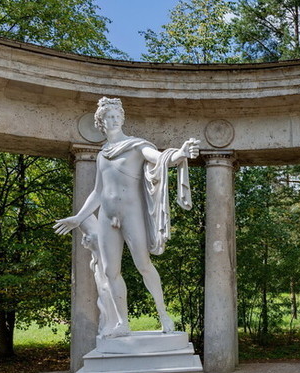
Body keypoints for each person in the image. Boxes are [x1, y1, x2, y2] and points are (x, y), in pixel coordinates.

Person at [54, 97, 200, 337]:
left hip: (132, 215)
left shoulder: (135, 146)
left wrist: (180, 154)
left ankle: (163, 314)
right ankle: (123, 322)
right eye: (107, 117)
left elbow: (159, 158)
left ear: (122, 119)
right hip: (107, 218)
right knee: (110, 271)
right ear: (100, 123)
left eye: (115, 116)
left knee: (143, 265)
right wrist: (79, 218)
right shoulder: (102, 155)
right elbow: (98, 192)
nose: (112, 121)